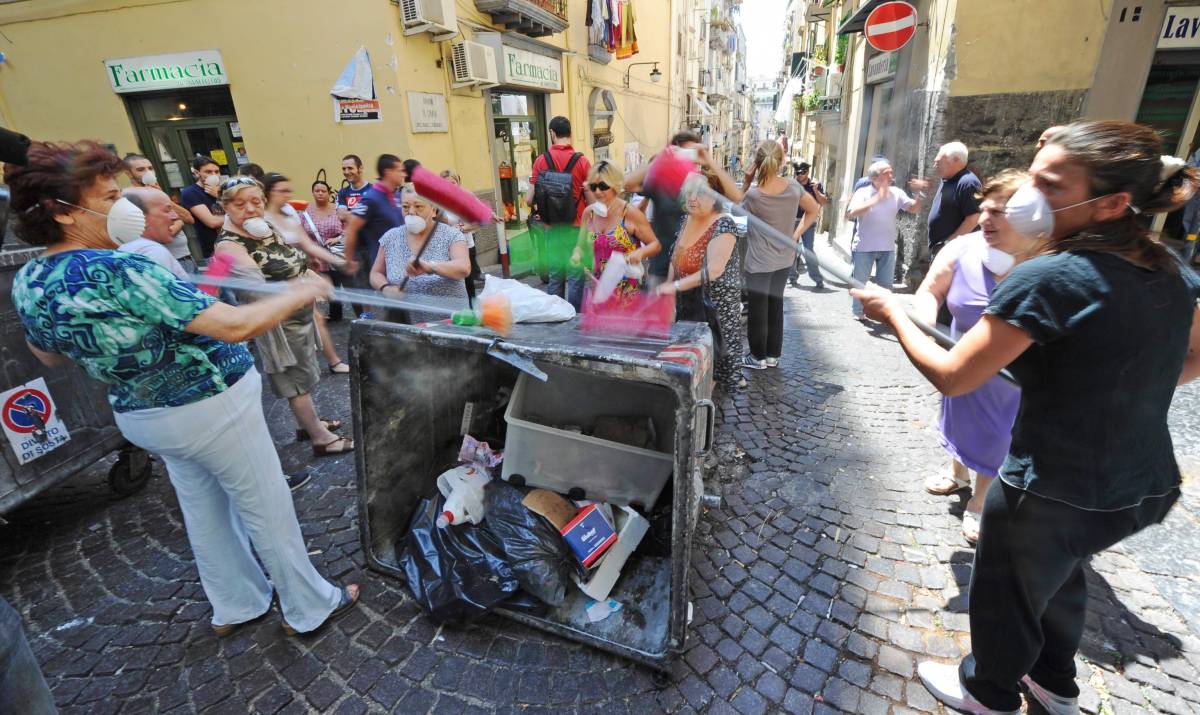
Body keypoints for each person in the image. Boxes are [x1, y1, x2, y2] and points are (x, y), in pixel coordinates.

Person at [852, 120, 1200, 715]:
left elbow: (955, 375)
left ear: (1114, 202)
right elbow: (1192, 355)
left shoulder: (1048, 278)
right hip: (1139, 486)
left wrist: (893, 311)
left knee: (1007, 588)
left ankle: (987, 690)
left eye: (1051, 186)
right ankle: (1054, 682)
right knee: (1062, 575)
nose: (1027, 200)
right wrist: (1111, 382)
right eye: (1031, 180)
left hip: (1051, 484)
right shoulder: (1173, 269)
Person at [6, 141, 360, 637]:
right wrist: (300, 291)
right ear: (63, 213)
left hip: (142, 414)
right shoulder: (123, 267)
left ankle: (235, 604)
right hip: (208, 404)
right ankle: (309, 605)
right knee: (266, 505)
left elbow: (48, 353)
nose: (120, 210)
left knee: (203, 508)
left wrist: (111, 344)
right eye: (109, 199)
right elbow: (232, 325)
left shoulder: (31, 280)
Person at [913, 170, 1031, 543]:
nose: (986, 219)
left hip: (1012, 373)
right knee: (958, 417)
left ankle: (980, 501)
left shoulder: (1044, 260)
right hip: (961, 356)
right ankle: (957, 474)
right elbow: (930, 291)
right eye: (986, 209)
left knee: (998, 434)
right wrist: (925, 328)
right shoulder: (963, 248)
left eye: (1001, 212)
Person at [214, 177, 354, 456]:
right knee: (294, 382)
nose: (251, 209)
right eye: (240, 204)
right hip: (276, 322)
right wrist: (303, 287)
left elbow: (293, 262)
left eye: (256, 202)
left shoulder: (264, 226)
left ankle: (307, 423)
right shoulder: (228, 245)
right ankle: (320, 439)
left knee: (303, 374)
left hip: (298, 315)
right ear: (225, 207)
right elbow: (257, 292)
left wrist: (315, 279)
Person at [657, 170, 744, 389]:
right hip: (689, 302)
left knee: (710, 367)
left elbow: (713, 271)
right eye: (689, 193)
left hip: (715, 309)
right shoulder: (688, 218)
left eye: (700, 194)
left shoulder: (723, 224)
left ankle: (705, 413)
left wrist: (674, 287)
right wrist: (668, 285)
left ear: (715, 197)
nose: (692, 199)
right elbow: (675, 254)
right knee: (691, 362)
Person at [623, 131, 742, 289]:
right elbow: (629, 185)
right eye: (683, 152)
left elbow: (736, 197)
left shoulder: (704, 184)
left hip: (696, 271)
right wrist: (660, 159)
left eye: (691, 153)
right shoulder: (661, 181)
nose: (687, 158)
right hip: (662, 268)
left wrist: (709, 161)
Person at [740, 140, 820, 369]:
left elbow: (730, 207)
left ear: (757, 163)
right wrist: (795, 236)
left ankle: (757, 357)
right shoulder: (794, 187)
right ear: (782, 161)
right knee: (775, 305)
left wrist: (746, 182)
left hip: (759, 260)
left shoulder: (754, 195)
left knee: (758, 308)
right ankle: (773, 355)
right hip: (785, 258)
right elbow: (814, 209)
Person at [262, 173, 350, 375]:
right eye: (282, 190)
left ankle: (330, 362)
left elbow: (307, 243)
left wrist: (336, 260)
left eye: (288, 190)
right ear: (269, 192)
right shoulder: (262, 219)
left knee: (316, 319)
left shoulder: (288, 214)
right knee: (290, 323)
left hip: (298, 275)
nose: (287, 194)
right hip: (278, 281)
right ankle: (296, 365)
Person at [370, 188, 471, 323]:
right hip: (408, 329)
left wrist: (430, 267)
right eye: (405, 207)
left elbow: (464, 267)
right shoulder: (390, 237)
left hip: (450, 325)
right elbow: (375, 273)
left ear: (434, 209)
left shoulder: (451, 235)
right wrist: (385, 287)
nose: (411, 212)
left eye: (418, 206)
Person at [525, 116, 592, 309]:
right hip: (577, 228)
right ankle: (575, 319)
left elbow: (529, 199)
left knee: (555, 276)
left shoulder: (540, 161)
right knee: (576, 276)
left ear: (552, 134)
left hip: (551, 228)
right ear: (570, 134)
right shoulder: (582, 162)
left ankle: (556, 315)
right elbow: (591, 202)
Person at [572, 160, 660, 306]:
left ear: (614, 185)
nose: (598, 192)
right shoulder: (589, 213)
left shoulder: (630, 213)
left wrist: (640, 253)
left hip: (627, 294)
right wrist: (577, 254)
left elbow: (656, 245)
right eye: (593, 187)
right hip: (598, 290)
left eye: (603, 186)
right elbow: (580, 246)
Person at [846, 160, 924, 320]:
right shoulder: (863, 192)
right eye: (886, 173)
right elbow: (851, 213)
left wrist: (919, 193)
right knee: (860, 282)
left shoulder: (896, 192)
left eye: (891, 172)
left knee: (886, 286)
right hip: (864, 246)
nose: (891, 176)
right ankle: (858, 310)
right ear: (875, 178)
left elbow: (914, 209)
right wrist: (876, 199)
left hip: (887, 247)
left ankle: (881, 312)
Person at [343, 154, 406, 315]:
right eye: (400, 170)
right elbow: (351, 228)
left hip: (402, 260)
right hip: (385, 265)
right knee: (395, 311)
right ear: (388, 172)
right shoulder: (371, 198)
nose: (403, 174)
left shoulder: (397, 195)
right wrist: (349, 259)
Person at [123, 153, 197, 273]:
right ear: (128, 173)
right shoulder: (130, 198)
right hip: (165, 263)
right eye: (141, 170)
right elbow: (162, 232)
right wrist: (178, 223)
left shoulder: (159, 193)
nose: (148, 173)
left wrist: (163, 197)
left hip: (186, 257)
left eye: (150, 168)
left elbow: (188, 218)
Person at [109, 187, 190, 279]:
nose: (175, 216)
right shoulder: (151, 251)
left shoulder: (127, 248)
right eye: (167, 210)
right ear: (139, 216)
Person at [301, 177, 349, 322]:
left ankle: (352, 313)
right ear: (313, 193)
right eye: (317, 191)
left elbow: (349, 227)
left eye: (323, 191)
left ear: (329, 193)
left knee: (341, 282)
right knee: (326, 285)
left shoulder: (338, 209)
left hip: (337, 252)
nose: (320, 193)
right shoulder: (306, 213)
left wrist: (338, 238)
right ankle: (332, 315)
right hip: (317, 255)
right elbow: (302, 233)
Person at [927, 142, 982, 255]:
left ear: (956, 160)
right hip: (943, 251)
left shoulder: (968, 183)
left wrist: (948, 244)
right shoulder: (947, 179)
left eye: (939, 162)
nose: (934, 166)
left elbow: (973, 219)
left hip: (957, 253)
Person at [439, 170, 484, 304]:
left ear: (458, 184)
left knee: (468, 281)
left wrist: (461, 228)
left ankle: (472, 309)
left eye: (453, 183)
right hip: (447, 247)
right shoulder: (439, 202)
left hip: (465, 245)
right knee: (453, 282)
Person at [790, 161, 829, 289]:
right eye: (797, 173)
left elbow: (823, 202)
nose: (799, 175)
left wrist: (816, 191)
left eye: (802, 173)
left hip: (808, 221)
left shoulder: (815, 185)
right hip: (792, 220)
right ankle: (792, 277)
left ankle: (817, 279)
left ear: (807, 172)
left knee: (808, 250)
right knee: (791, 250)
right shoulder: (791, 184)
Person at [179, 155, 225, 258]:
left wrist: (219, 196)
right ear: (196, 173)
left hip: (237, 247)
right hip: (215, 252)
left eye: (217, 172)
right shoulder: (190, 192)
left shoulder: (224, 189)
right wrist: (239, 218)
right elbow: (212, 222)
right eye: (208, 172)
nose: (214, 175)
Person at [337, 154, 370, 223]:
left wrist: (349, 213)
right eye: (344, 169)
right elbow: (342, 216)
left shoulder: (373, 190)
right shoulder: (342, 192)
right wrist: (366, 213)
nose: (346, 172)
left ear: (360, 168)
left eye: (350, 168)